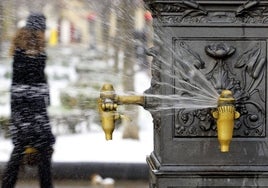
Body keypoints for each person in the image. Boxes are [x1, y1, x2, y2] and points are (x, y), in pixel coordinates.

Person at [1, 13, 55, 188]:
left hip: (21, 107)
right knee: (44, 148)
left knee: (20, 148)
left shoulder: (20, 47)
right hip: (33, 106)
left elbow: (23, 82)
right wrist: (43, 96)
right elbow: (35, 80)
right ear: (39, 29)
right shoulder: (33, 50)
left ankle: (7, 185)